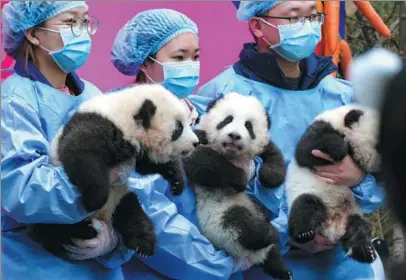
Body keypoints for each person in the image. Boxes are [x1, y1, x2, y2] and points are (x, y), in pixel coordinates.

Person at [195, 1, 386, 279]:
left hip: (345, 262)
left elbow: (385, 179)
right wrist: (292, 233)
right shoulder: (222, 97)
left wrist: (359, 179)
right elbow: (212, 191)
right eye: (294, 17)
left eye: (312, 15)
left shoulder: (343, 95)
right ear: (258, 25)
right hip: (264, 264)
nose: (306, 26)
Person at [108, 9, 257, 280]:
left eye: (195, 56)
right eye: (178, 58)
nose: (190, 65)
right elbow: (149, 213)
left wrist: (251, 173)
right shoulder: (125, 120)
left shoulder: (210, 114)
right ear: (145, 62)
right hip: (157, 269)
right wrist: (216, 264)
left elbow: (254, 194)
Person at [1, 2, 133, 279]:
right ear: (33, 34)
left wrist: (116, 236)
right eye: (70, 22)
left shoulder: (93, 95)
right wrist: (99, 178)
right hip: (39, 265)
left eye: (85, 21)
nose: (82, 31)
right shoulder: (14, 100)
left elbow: (131, 182)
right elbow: (24, 190)